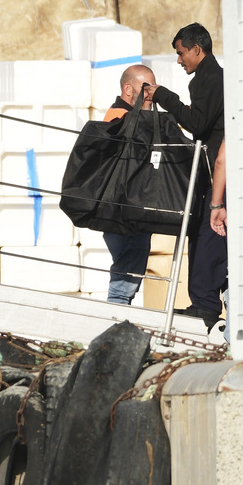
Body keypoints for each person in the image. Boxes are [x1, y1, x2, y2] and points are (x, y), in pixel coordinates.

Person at [149, 23, 225, 326]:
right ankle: (203, 303)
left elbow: (198, 123)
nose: (179, 60)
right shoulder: (209, 79)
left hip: (221, 177)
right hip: (211, 175)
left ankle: (206, 306)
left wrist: (163, 97)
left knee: (209, 240)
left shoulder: (211, 79)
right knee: (201, 237)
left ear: (197, 49)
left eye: (181, 53)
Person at [100, 63, 158, 305]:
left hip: (129, 206)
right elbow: (137, 149)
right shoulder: (119, 116)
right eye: (146, 88)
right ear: (128, 89)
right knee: (126, 273)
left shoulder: (128, 115)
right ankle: (116, 314)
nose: (151, 94)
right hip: (125, 209)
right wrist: (146, 110)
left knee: (130, 266)